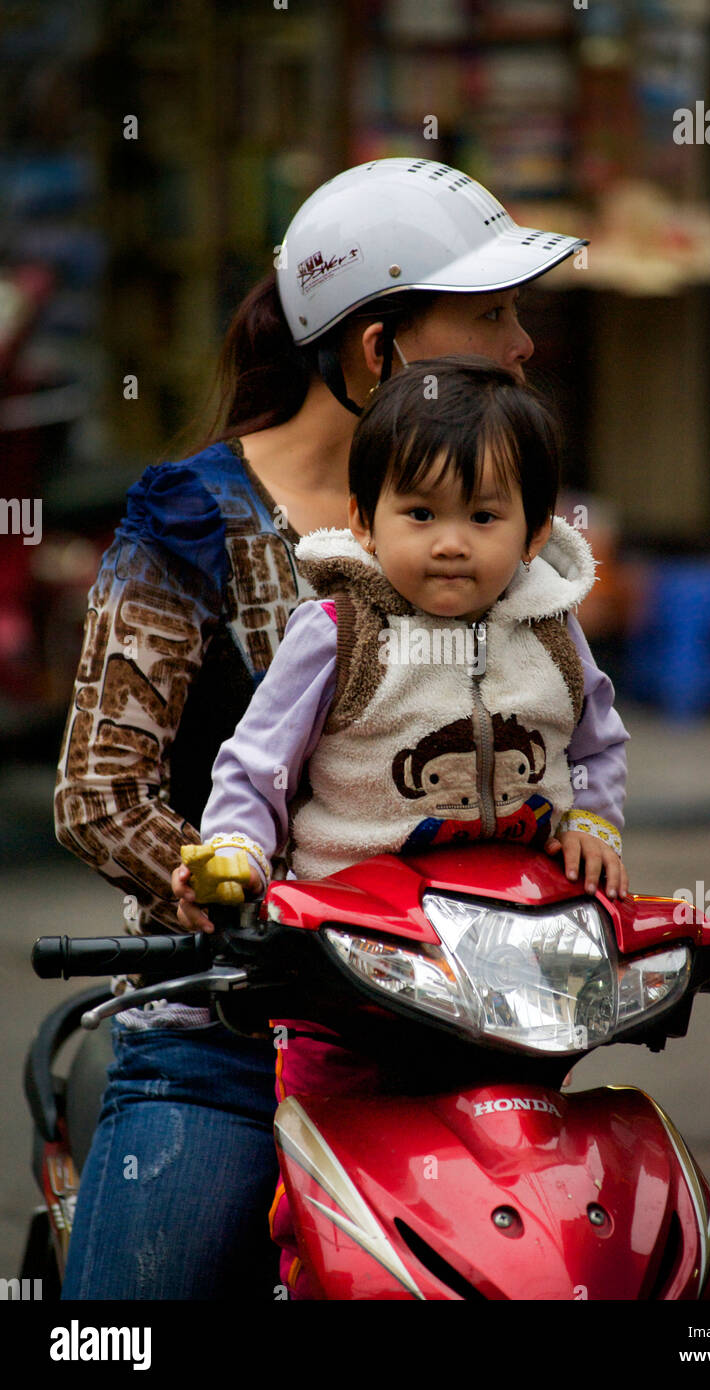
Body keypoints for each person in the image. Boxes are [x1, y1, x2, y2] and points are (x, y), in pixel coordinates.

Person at [54, 157, 623, 1300]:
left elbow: (571, 732)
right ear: (379, 351)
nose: (523, 345)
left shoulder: (493, 514)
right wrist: (248, 902)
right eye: (492, 314)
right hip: (229, 1036)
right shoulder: (192, 519)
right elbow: (98, 792)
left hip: (469, 1023)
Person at [173, 355, 629, 1297]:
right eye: (420, 515)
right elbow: (256, 764)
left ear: (538, 530)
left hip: (514, 978)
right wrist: (236, 854)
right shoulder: (337, 630)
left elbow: (599, 743)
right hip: (348, 971)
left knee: (514, 1186)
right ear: (365, 519)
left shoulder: (552, 631)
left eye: (485, 517)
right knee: (337, 1181)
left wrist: (595, 820)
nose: (452, 544)